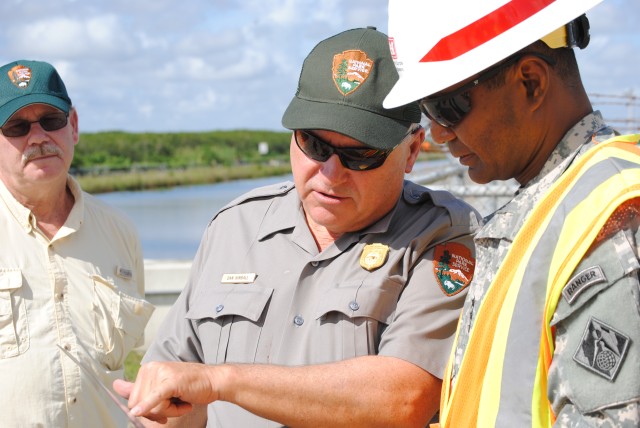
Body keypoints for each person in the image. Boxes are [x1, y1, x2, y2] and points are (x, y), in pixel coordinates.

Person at [113, 27, 482, 427]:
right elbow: (171, 379)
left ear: (411, 151)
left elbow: (403, 399)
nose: (330, 172)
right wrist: (165, 411)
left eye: (360, 156)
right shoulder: (235, 227)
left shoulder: (442, 235)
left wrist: (220, 381)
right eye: (314, 145)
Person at [383, 1, 640, 427]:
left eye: (447, 107)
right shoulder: (555, 204)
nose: (439, 133)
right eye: (426, 111)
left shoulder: (611, 223)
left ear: (531, 83)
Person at [0, 60, 155, 427]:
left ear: (73, 126)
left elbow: (135, 358)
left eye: (51, 121)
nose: (38, 138)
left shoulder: (121, 233)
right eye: (17, 127)